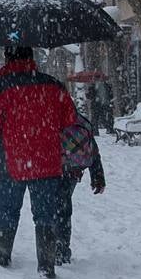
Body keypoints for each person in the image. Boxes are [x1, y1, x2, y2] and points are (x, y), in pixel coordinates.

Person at [0, 46, 77, 279]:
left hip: (9, 162)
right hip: (47, 162)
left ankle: (3, 251)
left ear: (7, 57)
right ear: (32, 58)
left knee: (8, 209)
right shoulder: (53, 85)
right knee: (45, 214)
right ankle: (46, 266)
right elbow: (70, 121)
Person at [57, 113, 106, 265]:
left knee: (51, 209)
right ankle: (62, 248)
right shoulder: (80, 120)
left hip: (52, 169)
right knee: (63, 208)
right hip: (73, 170)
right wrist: (97, 175)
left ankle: (55, 247)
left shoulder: (49, 117)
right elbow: (93, 149)